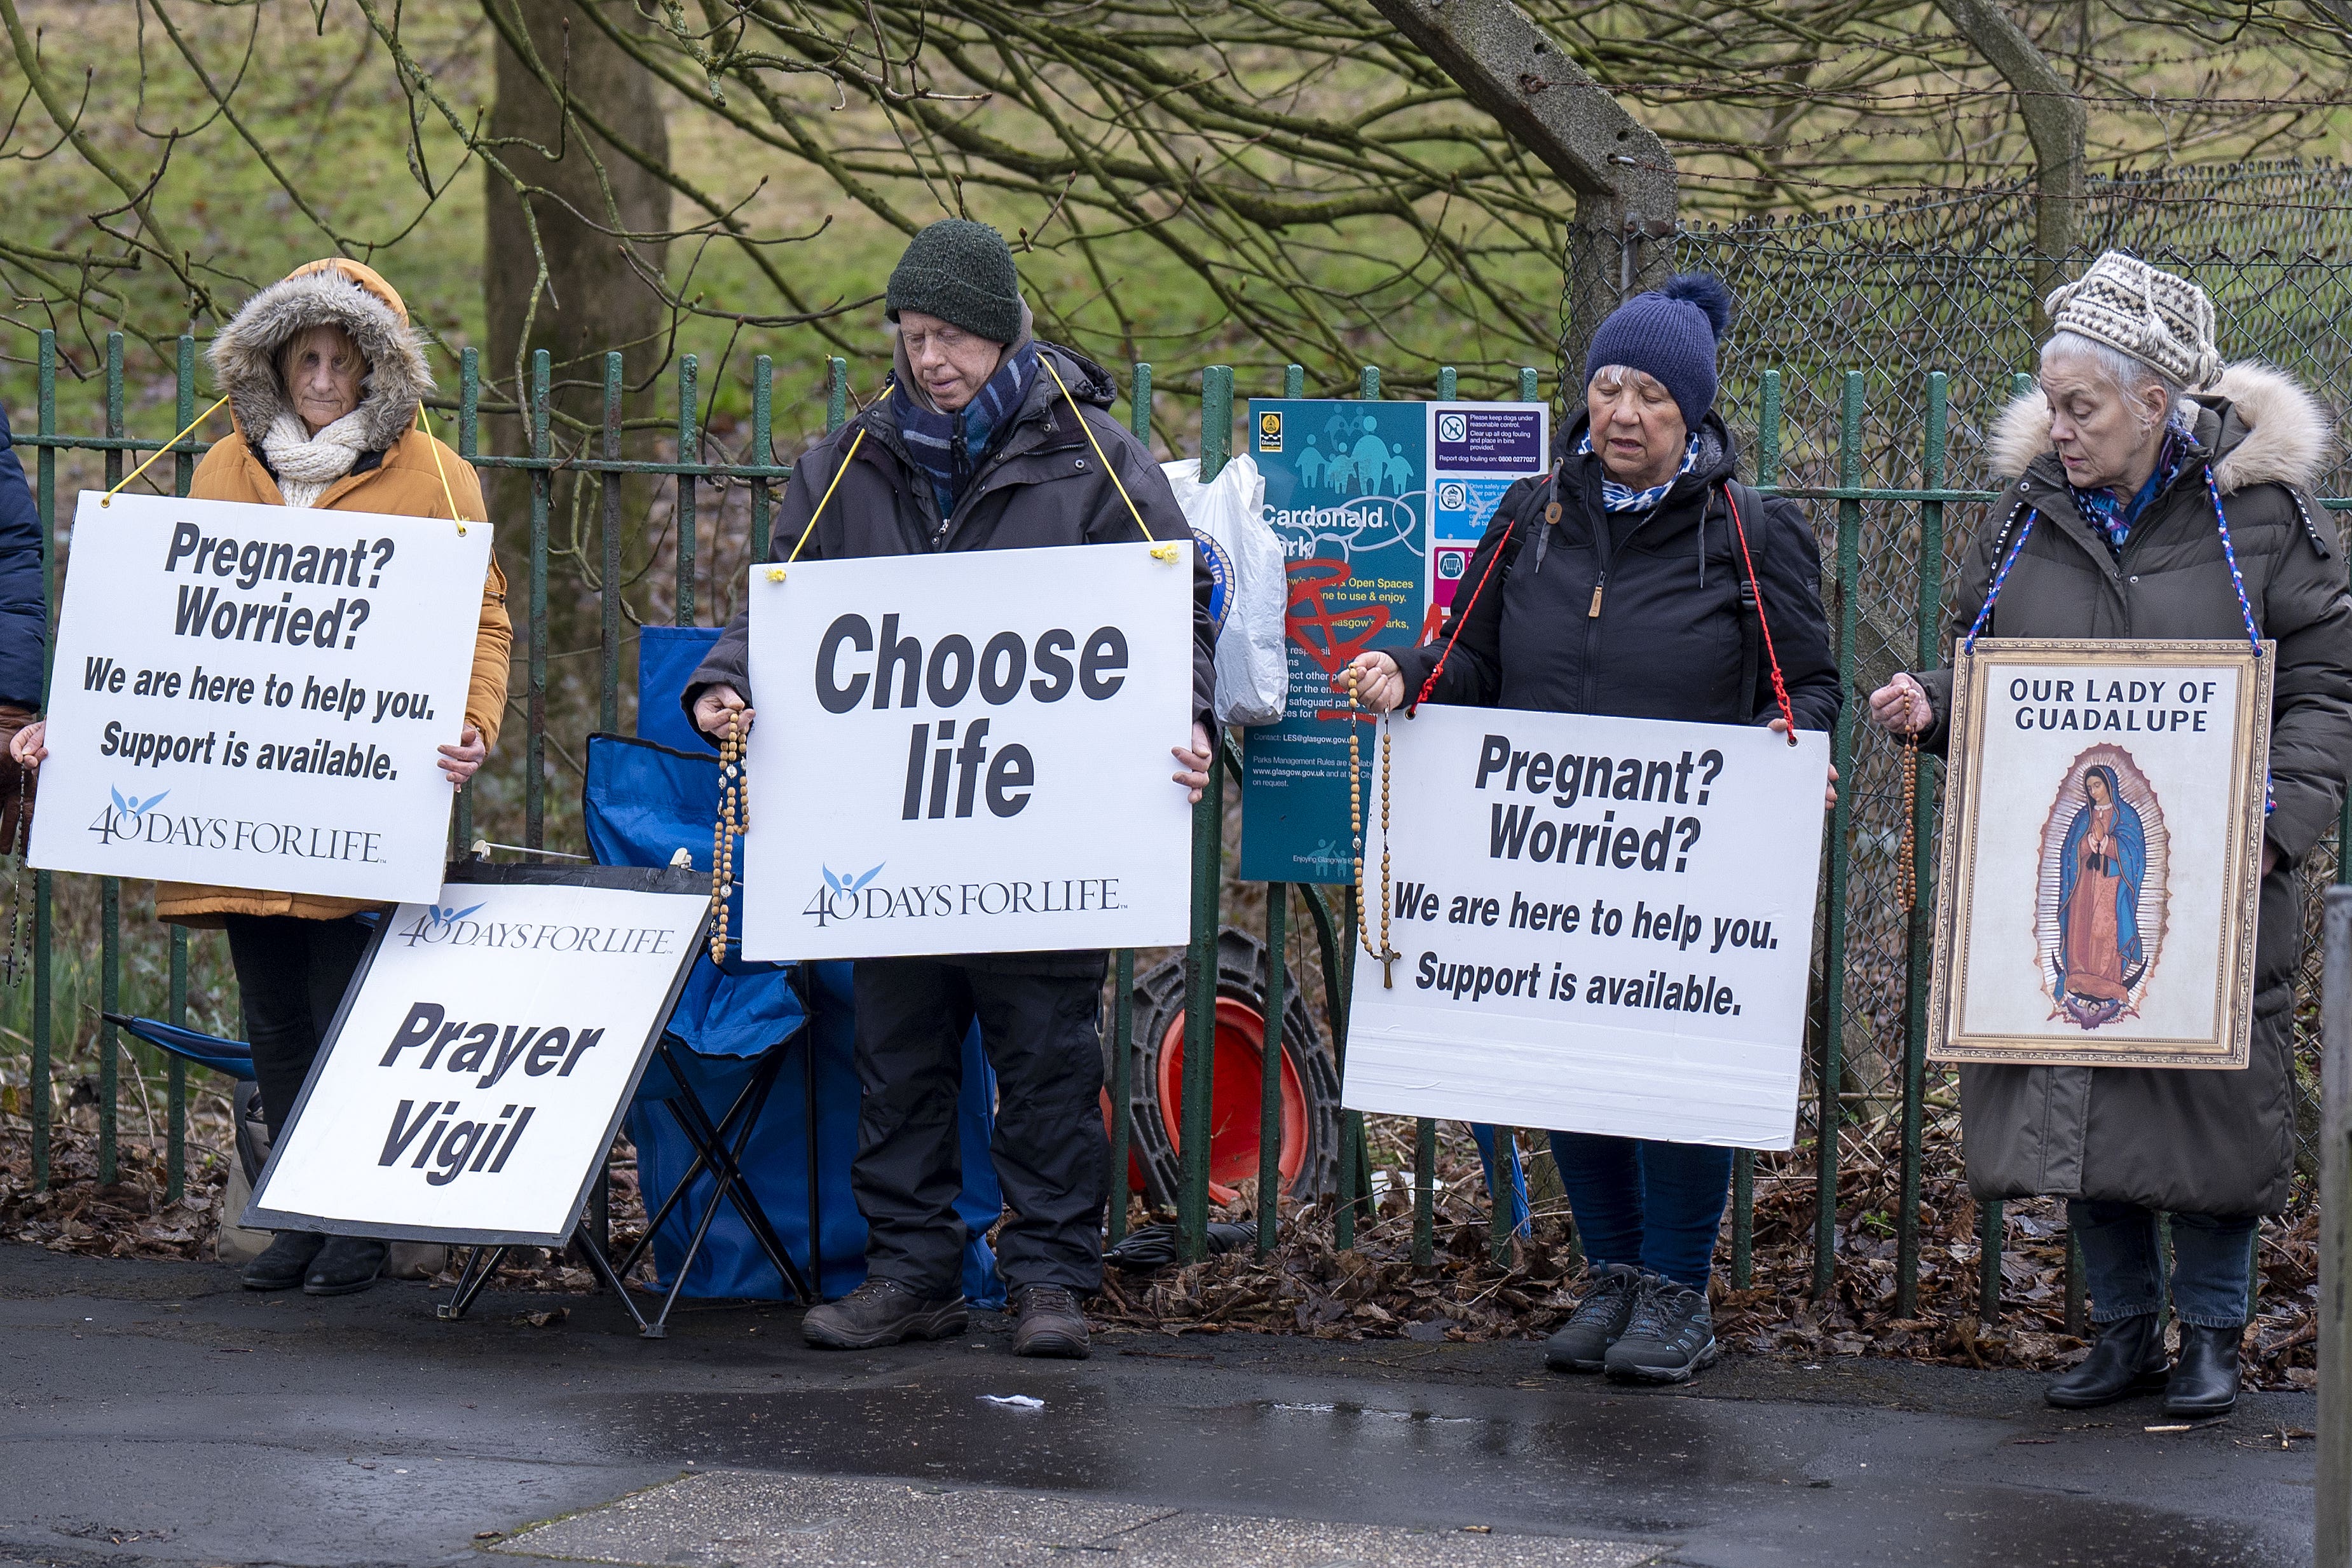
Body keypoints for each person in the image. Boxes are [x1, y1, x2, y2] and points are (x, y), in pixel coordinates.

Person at [683, 218, 1216, 1360]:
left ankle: (1051, 1283)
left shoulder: (1095, 457)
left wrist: (1192, 715)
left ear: (1004, 329)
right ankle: (913, 1271)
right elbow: (781, 610)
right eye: (915, 335)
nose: (932, 359)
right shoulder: (845, 463)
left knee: (1045, 1059)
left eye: (956, 336)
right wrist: (724, 683)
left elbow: (1177, 616)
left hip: (1044, 825)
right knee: (901, 1060)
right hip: (893, 827)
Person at [1866, 250, 2352, 1417]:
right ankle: (2125, 1332)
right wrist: (1938, 701)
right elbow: (2010, 678)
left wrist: (2277, 825)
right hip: (2077, 871)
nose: (2059, 427)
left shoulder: (2264, 522)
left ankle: (2216, 1338)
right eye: (2050, 402)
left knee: (2205, 1104)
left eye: (2080, 406)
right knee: (2075, 1082)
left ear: (2155, 400)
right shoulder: (2028, 514)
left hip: (2226, 873)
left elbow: (2329, 691)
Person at [1336, 275, 1840, 1384]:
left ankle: (1676, 1292)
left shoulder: (1751, 532)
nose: (1623, 412)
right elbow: (1466, 652)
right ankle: (1610, 1275)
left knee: (1676, 1074)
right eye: (1609, 384)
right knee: (1570, 1064)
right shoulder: (1532, 514)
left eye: (1653, 394)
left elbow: (1805, 682)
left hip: (1686, 863)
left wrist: (1799, 746)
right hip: (1545, 853)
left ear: (1694, 414)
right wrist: (1404, 672)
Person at [13, 259, 513, 1296]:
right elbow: (166, 628)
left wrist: (471, 725)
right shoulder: (218, 469)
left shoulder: (439, 477)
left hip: (352, 797)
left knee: (342, 1010)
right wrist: (88, 727)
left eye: (343, 359)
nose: (323, 379)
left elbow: (483, 618)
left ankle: (360, 1223)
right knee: (274, 1016)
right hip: (240, 805)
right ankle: (299, 1208)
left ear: (377, 367)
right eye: (307, 358)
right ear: (277, 364)